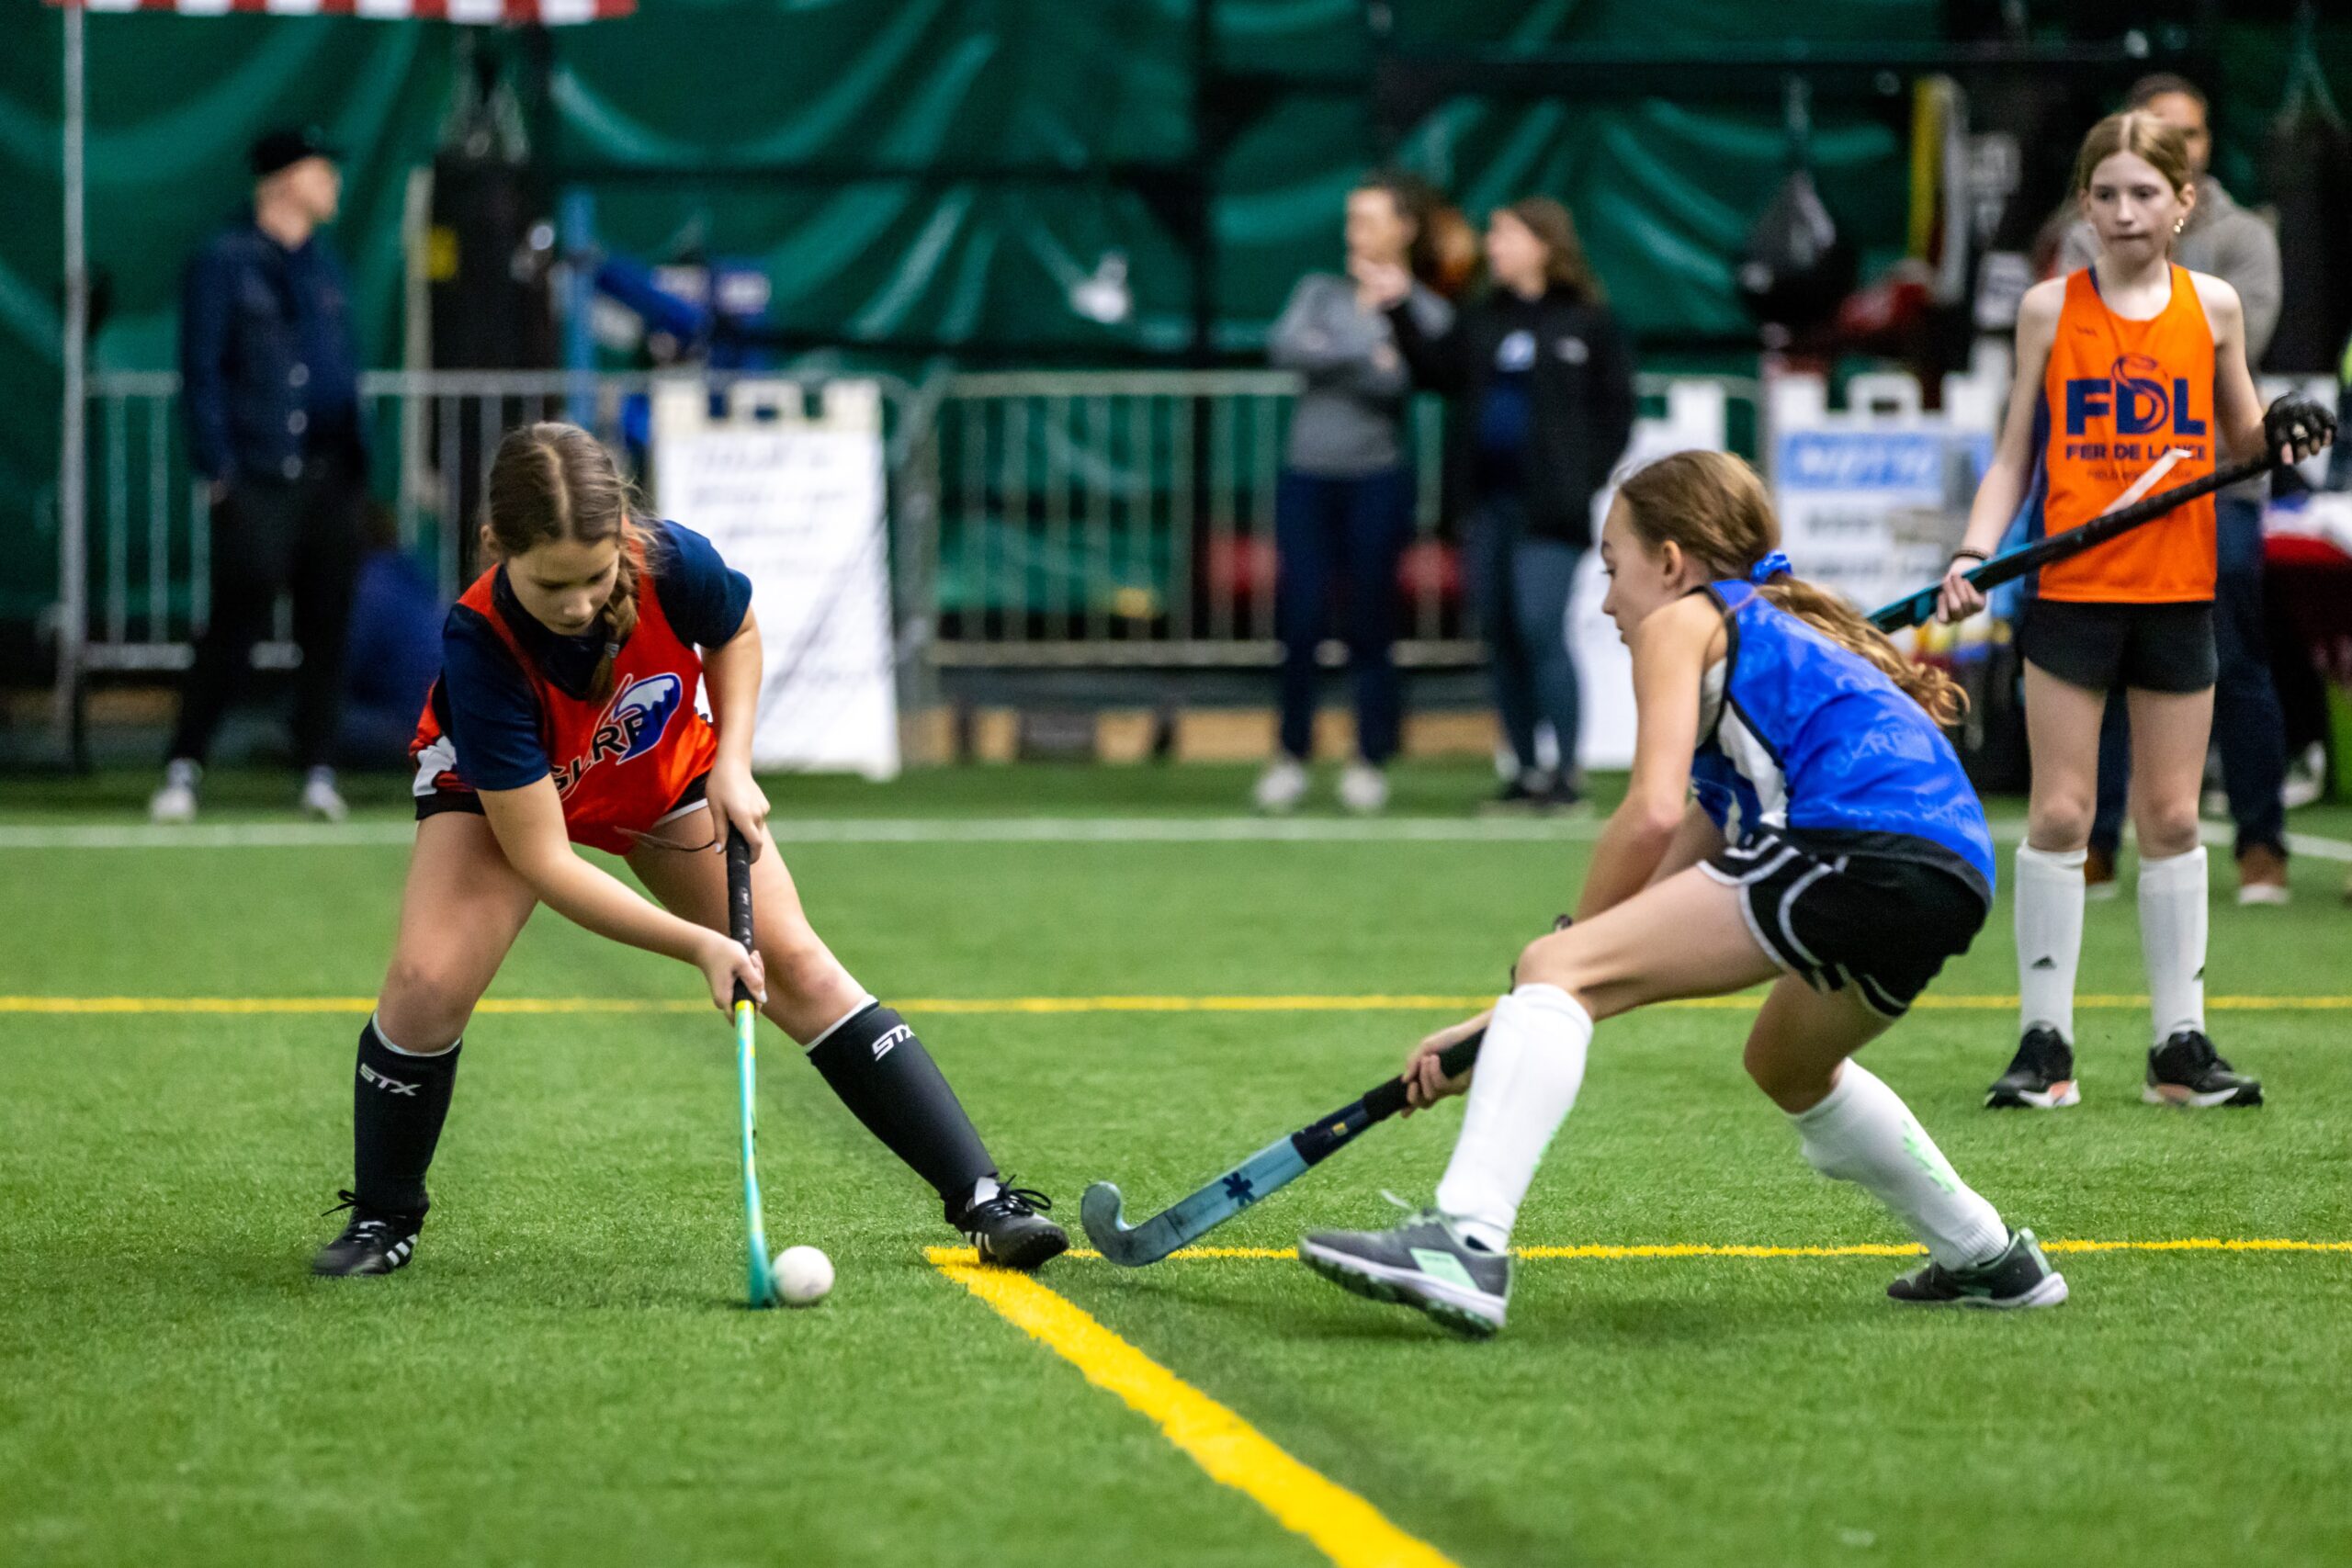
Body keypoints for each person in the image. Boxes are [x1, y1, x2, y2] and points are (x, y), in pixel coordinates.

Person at [1293, 452, 2060, 1337]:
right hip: (1951, 871)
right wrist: (1507, 1020)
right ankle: (1990, 1254)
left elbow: (1647, 815)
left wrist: (1544, 973)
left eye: (1614, 568)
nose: (1610, 600)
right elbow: (1653, 913)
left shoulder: (1683, 623)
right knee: (1785, 1062)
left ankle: (1464, 1240)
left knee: (1560, 959)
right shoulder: (1760, 669)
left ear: (1670, 562)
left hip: (1856, 840)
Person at [310, 423, 1067, 1278]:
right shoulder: (478, 642)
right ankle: (383, 1215)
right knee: (426, 984)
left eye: (595, 578)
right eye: (550, 583)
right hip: (503, 802)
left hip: (660, 768)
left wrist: (733, 764)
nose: (578, 604)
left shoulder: (671, 559)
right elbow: (547, 860)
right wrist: (697, 943)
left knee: (801, 967)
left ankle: (984, 1199)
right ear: (495, 547)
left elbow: (735, 632)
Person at [1938, 113, 2334, 1113]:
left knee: (2166, 816)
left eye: (2144, 194)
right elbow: (2013, 457)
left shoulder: (2212, 309)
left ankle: (2177, 1047)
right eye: (2105, 193)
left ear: (2181, 202)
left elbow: (2243, 445)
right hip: (2070, 594)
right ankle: (2044, 1042)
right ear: (2083, 204)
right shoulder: (2045, 312)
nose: (2123, 211)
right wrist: (1973, 554)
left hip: (2175, 591)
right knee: (2064, 812)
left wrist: (2282, 429)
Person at [2054, 75, 2294, 906]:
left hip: (2218, 486)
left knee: (2237, 661)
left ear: (2196, 158)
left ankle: (2262, 845)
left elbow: (2234, 342)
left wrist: (2159, 261)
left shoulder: (2244, 240)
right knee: (2106, 668)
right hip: (2102, 493)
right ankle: (2097, 843)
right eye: (2155, 129)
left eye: (2183, 135)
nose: (2125, 208)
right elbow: (2079, 340)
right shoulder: (2078, 241)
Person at [1359, 197, 1636, 811]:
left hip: (1550, 511)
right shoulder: (1483, 318)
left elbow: (1617, 409)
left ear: (1544, 244)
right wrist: (1398, 308)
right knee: (1501, 634)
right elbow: (1438, 372)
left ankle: (1567, 772)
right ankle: (1525, 770)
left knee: (1541, 624)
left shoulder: (1588, 321)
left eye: (1507, 235)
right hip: (1488, 504)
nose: (1495, 246)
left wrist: (1581, 476)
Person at [152, 128, 370, 825]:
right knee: (236, 620)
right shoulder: (224, 261)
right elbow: (202, 370)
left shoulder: (324, 264)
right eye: (320, 170)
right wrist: (219, 472)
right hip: (258, 473)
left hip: (329, 476)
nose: (333, 182)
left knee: (327, 622)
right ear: (283, 180)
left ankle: (318, 768)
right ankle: (184, 764)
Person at [1253, 174, 1453, 816]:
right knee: (1302, 618)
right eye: (1351, 219)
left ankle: (1369, 757)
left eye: (1368, 219)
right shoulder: (1319, 291)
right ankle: (1290, 754)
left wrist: (1341, 352)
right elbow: (1286, 348)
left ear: (1403, 228)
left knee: (1371, 623)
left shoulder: (1424, 308)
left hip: (1378, 481)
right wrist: (1365, 347)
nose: (1355, 232)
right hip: (1307, 478)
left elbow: (1403, 382)